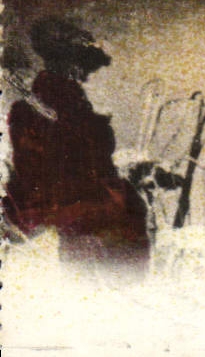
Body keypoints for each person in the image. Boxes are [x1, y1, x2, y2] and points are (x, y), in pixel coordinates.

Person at [4, 21, 152, 272]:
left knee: (126, 202)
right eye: (85, 67)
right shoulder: (63, 100)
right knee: (128, 208)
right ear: (72, 66)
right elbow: (87, 155)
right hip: (69, 200)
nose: (87, 75)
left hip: (49, 194)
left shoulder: (40, 101)